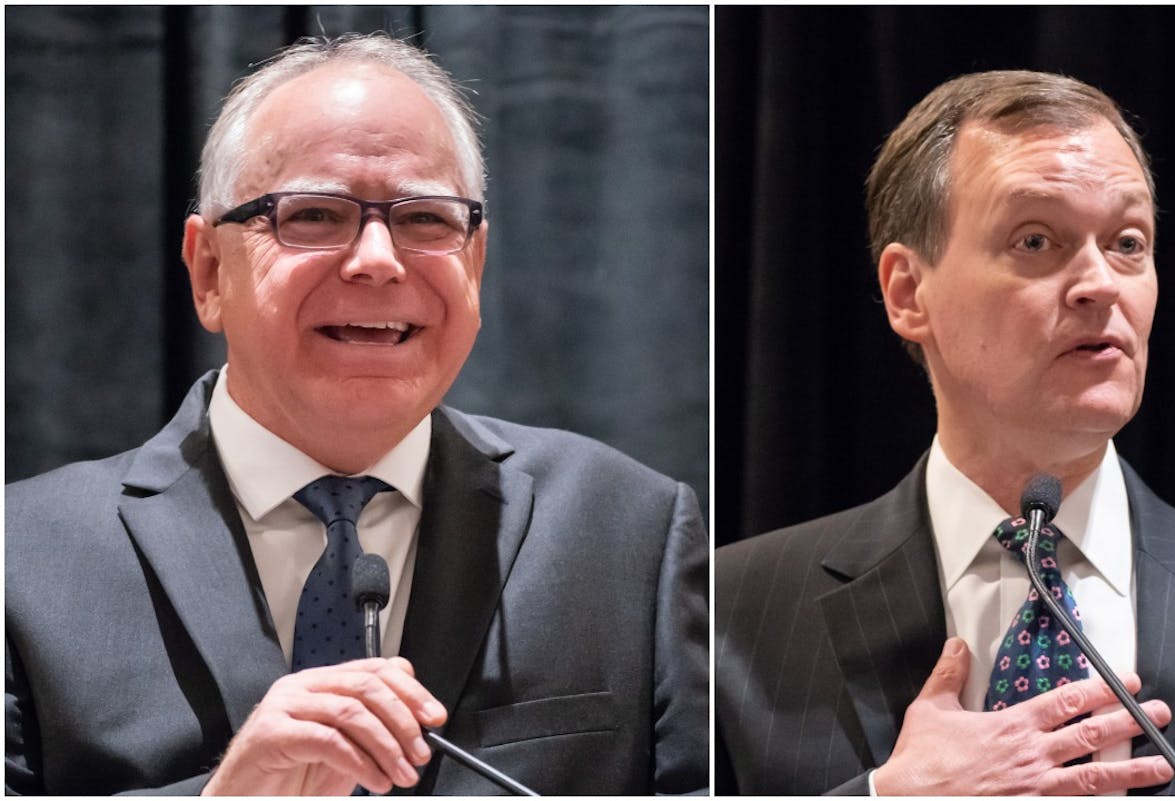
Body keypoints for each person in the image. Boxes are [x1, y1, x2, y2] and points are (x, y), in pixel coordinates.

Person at [6, 33, 708, 796]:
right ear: (209, 271)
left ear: (474, 264)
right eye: (312, 214)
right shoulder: (24, 558)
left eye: (426, 220)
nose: (378, 257)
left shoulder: (628, 530)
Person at [714, 70, 1175, 795]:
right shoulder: (725, 617)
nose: (1099, 283)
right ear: (907, 291)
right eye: (1036, 239)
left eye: (1127, 242)